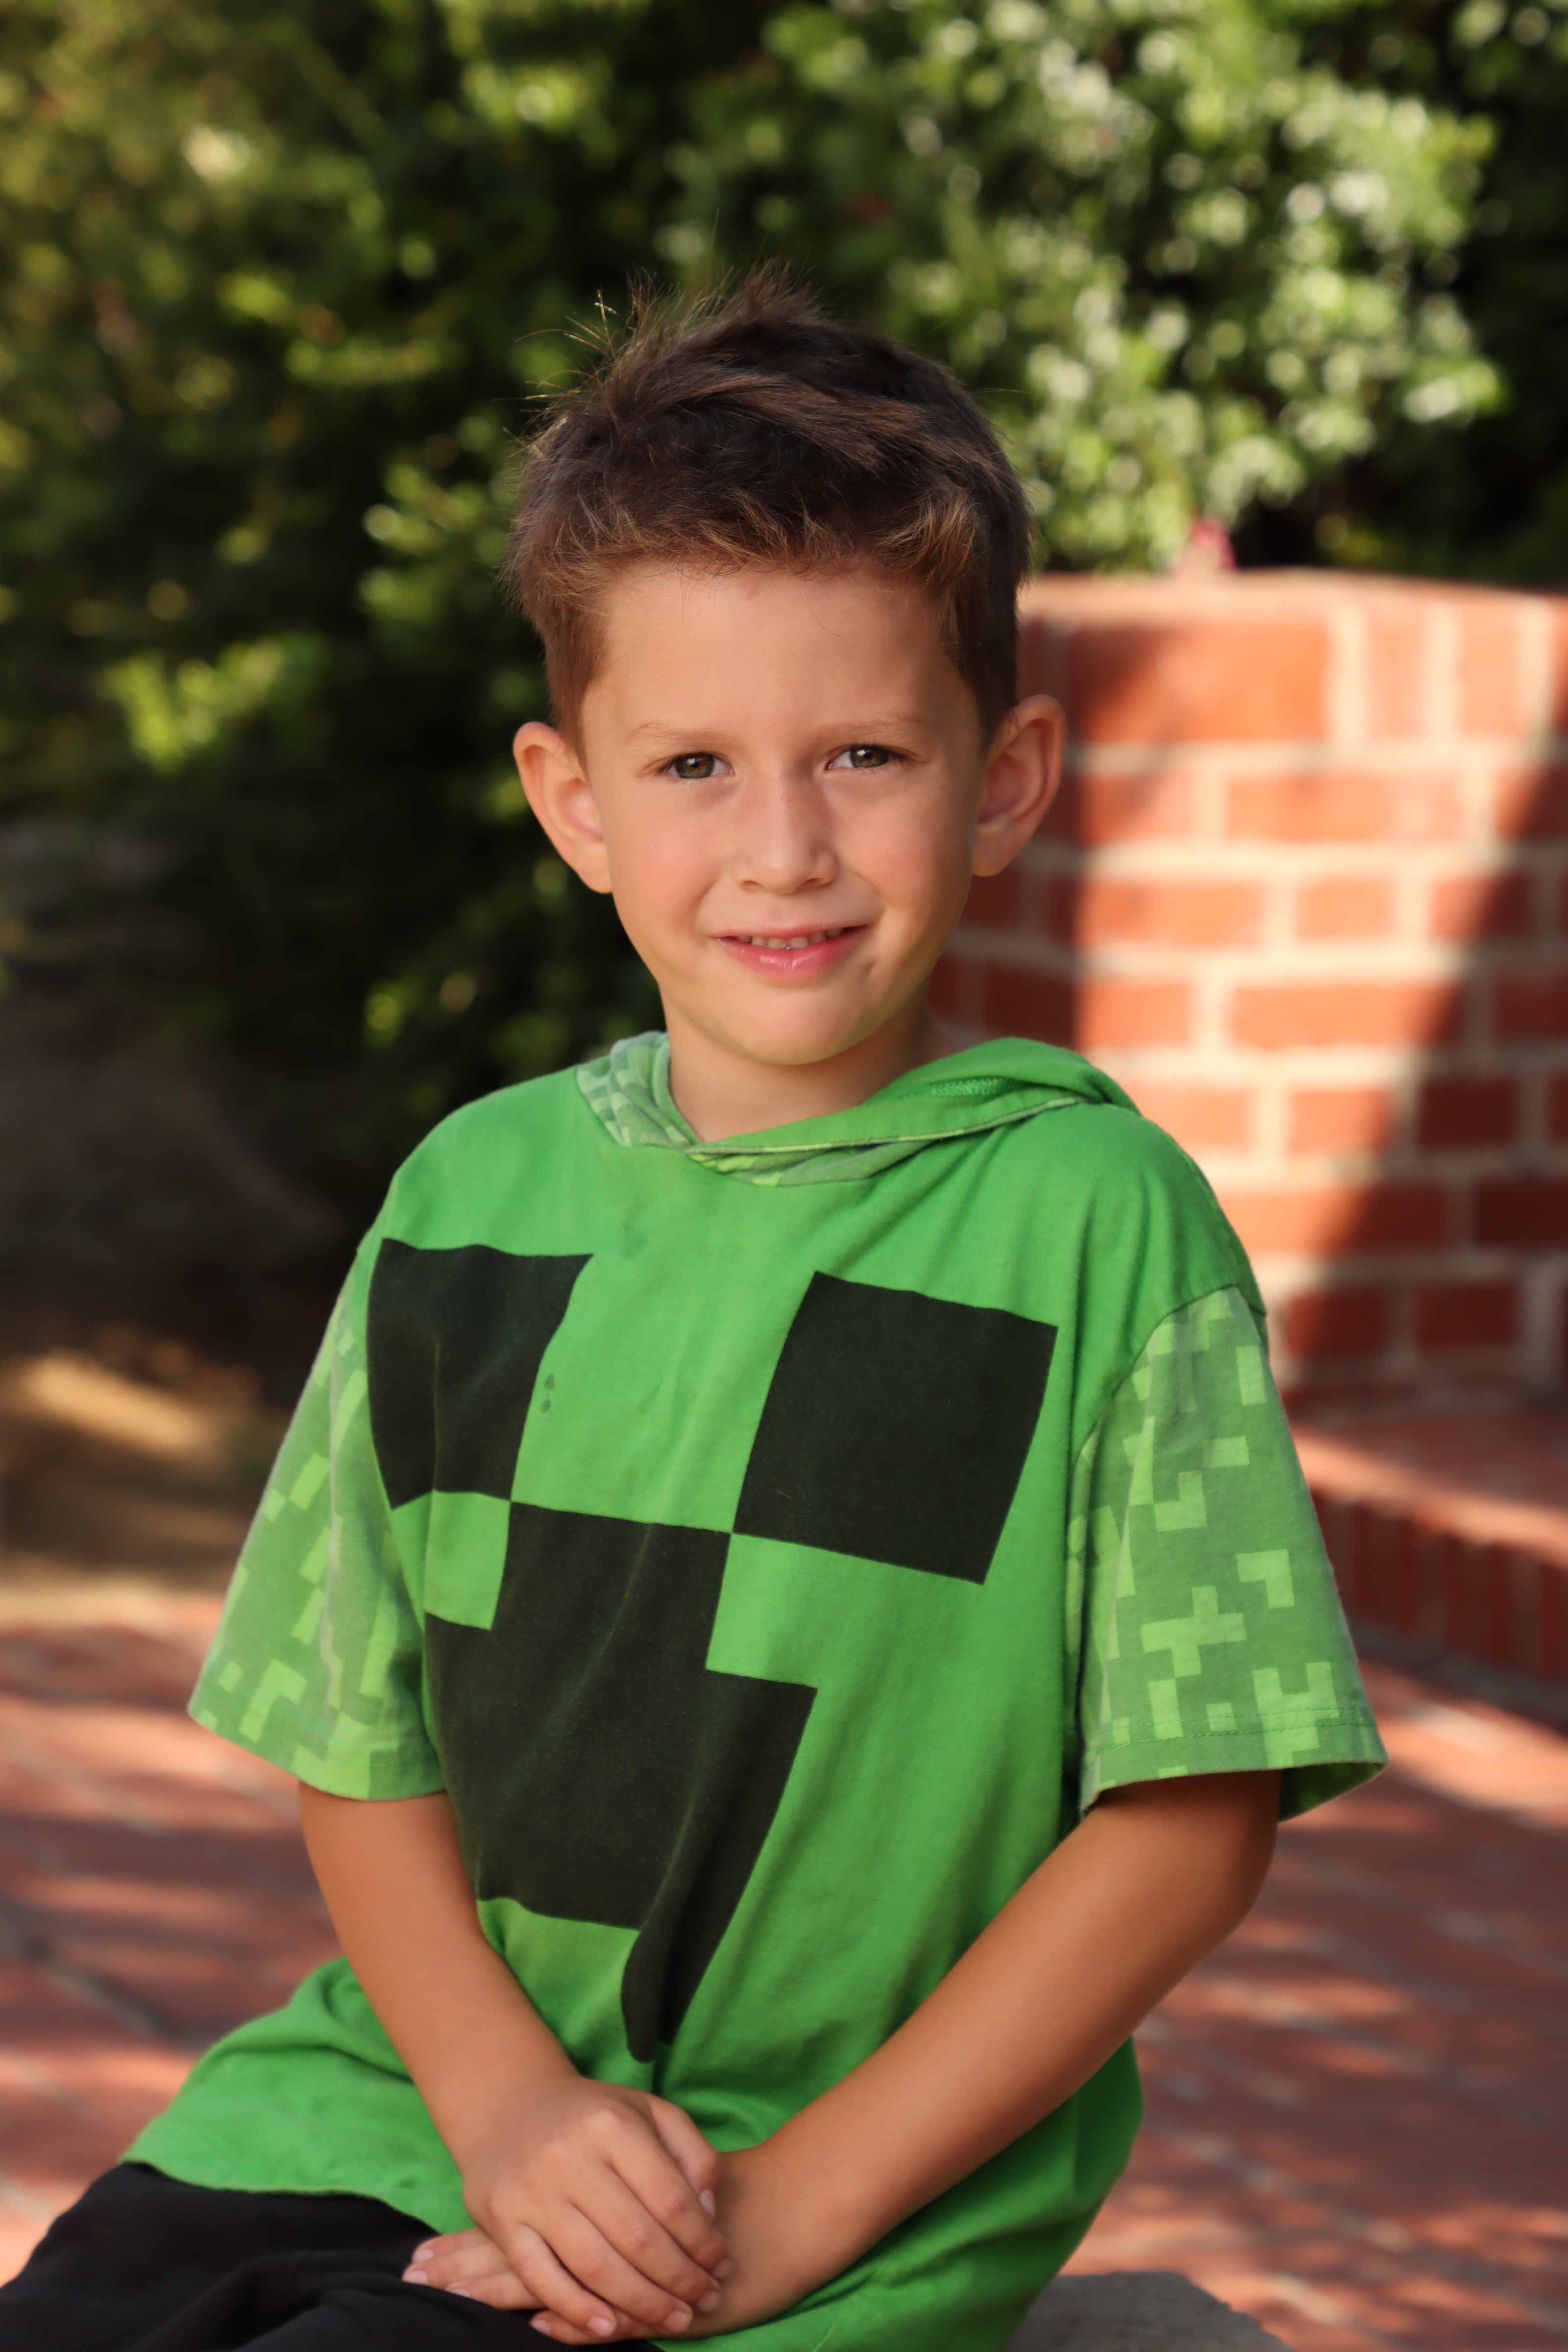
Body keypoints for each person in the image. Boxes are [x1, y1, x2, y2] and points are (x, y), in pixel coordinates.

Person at [2, 277, 1385, 2352]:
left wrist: (789, 2208)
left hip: (794, 2195)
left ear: (1004, 777)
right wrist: (507, 2112)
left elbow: (1192, 1816)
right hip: (383, 2108)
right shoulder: (467, 1201)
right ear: (575, 802)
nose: (784, 847)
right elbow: (355, 1733)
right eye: (694, 765)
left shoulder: (1094, 1224)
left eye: (863, 754)